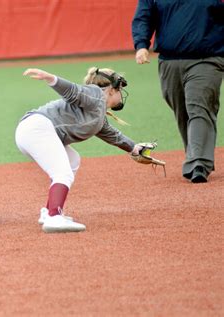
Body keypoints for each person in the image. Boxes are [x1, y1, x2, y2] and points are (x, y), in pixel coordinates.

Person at [15, 67, 145, 233]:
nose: (121, 94)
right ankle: (54, 217)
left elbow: (112, 135)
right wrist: (51, 78)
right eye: (120, 89)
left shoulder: (97, 113)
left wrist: (133, 148)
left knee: (72, 161)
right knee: (63, 173)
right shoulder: (96, 94)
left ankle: (49, 212)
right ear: (112, 90)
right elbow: (73, 91)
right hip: (37, 129)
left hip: (33, 130)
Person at [132, 0, 224, 183]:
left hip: (207, 59)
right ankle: (195, 155)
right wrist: (141, 44)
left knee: (199, 107)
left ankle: (199, 162)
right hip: (169, 61)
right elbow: (144, 17)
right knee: (183, 112)